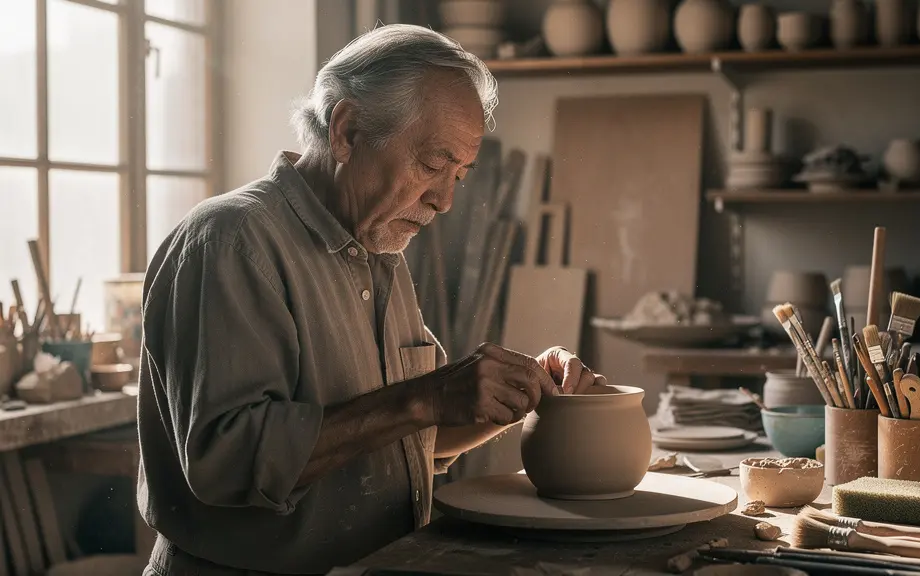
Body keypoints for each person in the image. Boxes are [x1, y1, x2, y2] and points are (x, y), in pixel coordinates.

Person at [137, 23, 605, 576]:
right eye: (433, 165)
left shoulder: (379, 252)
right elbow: (228, 462)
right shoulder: (232, 241)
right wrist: (427, 397)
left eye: (460, 174)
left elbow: (408, 442)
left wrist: (521, 393)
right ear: (347, 130)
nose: (445, 200)